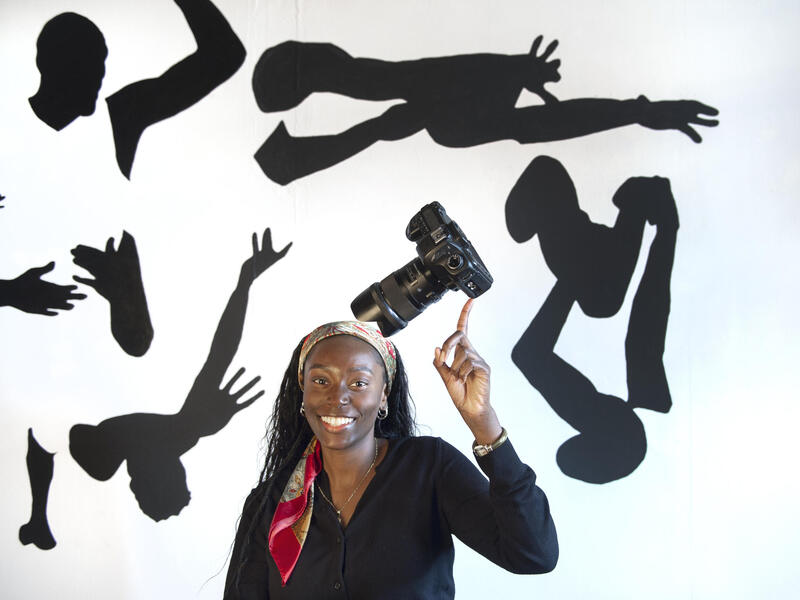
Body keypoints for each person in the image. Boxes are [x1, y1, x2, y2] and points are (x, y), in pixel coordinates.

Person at [224, 300, 558, 599]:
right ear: (303, 392)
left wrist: (483, 423)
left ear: (383, 395)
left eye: (359, 383)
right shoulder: (268, 506)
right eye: (321, 380)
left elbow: (533, 554)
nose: (338, 396)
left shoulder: (430, 468)